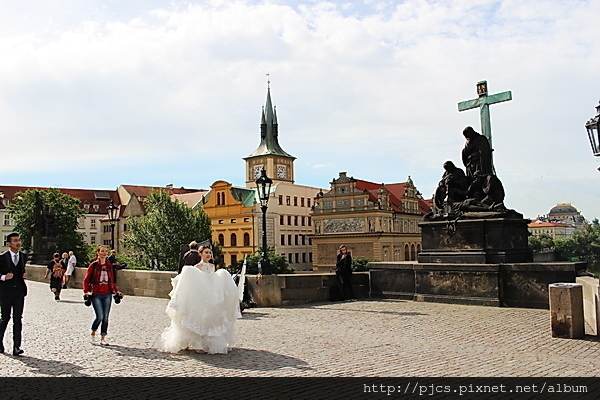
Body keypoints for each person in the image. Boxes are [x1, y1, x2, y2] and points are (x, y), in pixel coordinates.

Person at [158, 245, 241, 354]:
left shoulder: (212, 267)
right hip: (201, 295)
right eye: (206, 252)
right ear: (200, 254)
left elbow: (213, 280)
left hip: (211, 294)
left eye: (209, 253)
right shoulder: (197, 267)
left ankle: (208, 342)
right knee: (196, 316)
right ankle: (190, 341)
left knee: (212, 315)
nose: (208, 255)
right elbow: (195, 282)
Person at [83, 245, 123, 346]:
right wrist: (86, 291)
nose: (104, 253)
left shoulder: (109, 266)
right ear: (98, 253)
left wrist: (116, 291)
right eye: (102, 251)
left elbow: (111, 281)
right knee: (99, 316)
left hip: (107, 293)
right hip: (96, 293)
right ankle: (93, 332)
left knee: (106, 317)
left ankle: (103, 338)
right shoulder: (94, 265)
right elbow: (86, 279)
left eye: (106, 251)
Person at [0, 232, 28, 356]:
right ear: (8, 243)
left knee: (18, 319)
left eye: (19, 240)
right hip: (5, 292)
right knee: (5, 318)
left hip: (19, 292)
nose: (18, 243)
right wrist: (3, 277)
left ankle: (17, 347)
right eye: (15, 240)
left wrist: (23, 275)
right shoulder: (2, 257)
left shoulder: (23, 256)